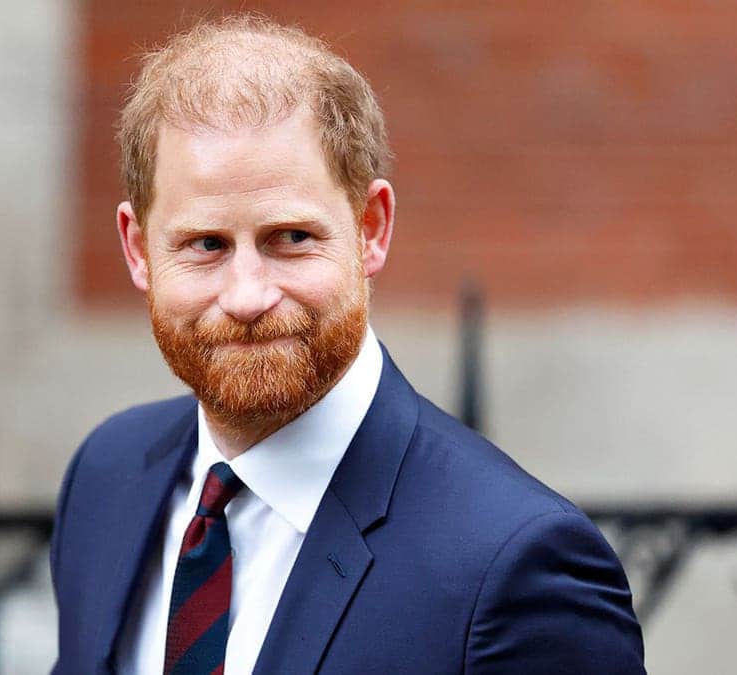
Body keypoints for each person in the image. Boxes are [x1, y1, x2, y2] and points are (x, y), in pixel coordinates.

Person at [50, 14, 645, 675]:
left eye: (292, 238)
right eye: (206, 244)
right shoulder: (106, 478)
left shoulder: (514, 567)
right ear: (138, 250)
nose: (248, 296)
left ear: (371, 228)